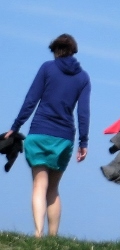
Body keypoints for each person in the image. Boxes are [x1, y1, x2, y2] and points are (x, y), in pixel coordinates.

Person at [5, 34, 91, 238]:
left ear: (55, 50)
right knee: (53, 188)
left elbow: (31, 99)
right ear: (73, 51)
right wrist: (83, 141)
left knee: (39, 185)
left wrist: (16, 126)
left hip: (39, 131)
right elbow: (83, 112)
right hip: (64, 137)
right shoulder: (83, 77)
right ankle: (53, 237)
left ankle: (38, 233)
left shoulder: (47, 68)